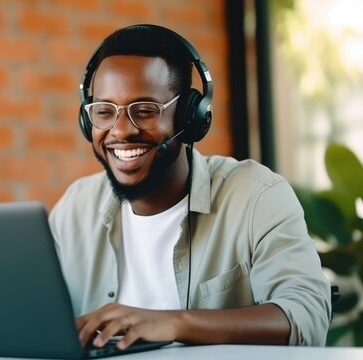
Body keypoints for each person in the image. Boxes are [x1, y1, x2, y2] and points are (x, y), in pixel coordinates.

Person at [48, 24, 331, 349]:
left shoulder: (256, 197)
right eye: (104, 111)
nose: (121, 131)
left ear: (189, 117)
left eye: (145, 111)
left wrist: (171, 322)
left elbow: (306, 317)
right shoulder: (76, 206)